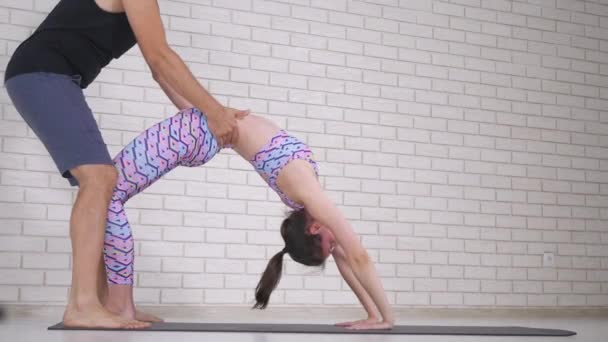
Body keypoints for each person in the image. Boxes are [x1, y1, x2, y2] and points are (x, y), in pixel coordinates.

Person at [4, 0, 248, 328]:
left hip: (50, 75)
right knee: (100, 179)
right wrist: (214, 111)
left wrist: (203, 114)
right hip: (41, 73)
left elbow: (159, 74)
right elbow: (161, 60)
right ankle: (82, 306)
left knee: (103, 183)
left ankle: (106, 304)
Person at [102, 107, 395, 330]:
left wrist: (374, 315)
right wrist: (388, 318)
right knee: (105, 196)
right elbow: (358, 257)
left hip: (203, 127)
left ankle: (115, 301)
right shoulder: (308, 194)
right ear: (314, 228)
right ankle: (116, 302)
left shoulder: (306, 199)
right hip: (200, 128)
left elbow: (347, 258)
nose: (337, 245)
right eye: (330, 245)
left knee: (105, 197)